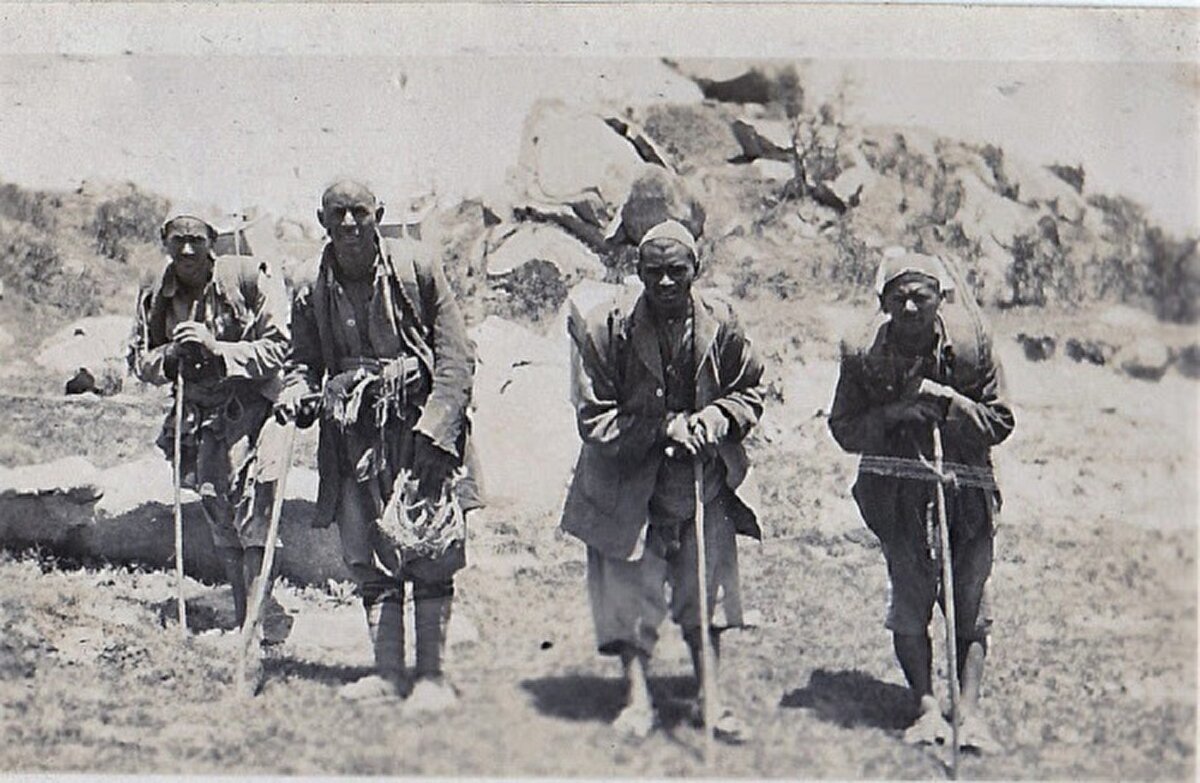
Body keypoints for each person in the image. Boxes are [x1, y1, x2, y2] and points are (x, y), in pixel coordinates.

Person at [276, 180, 482, 712]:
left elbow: (457, 357)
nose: (348, 224)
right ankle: (388, 675)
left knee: (430, 547)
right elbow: (302, 361)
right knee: (368, 555)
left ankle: (432, 678)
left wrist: (437, 433)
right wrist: (297, 393)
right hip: (352, 436)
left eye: (359, 212)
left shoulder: (418, 269)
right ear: (321, 219)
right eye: (337, 214)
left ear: (378, 216)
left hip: (419, 432)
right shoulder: (308, 283)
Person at [561, 218, 765, 742]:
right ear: (638, 271)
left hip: (700, 479)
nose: (667, 283)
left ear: (696, 269)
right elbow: (594, 418)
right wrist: (663, 426)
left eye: (677, 271)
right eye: (655, 272)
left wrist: (717, 419)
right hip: (625, 479)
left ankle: (711, 700)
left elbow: (750, 389)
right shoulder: (607, 326)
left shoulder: (722, 321)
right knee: (627, 593)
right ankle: (637, 699)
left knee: (707, 591)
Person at [828, 252, 1014, 753]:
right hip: (898, 499)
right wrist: (895, 413)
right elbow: (843, 428)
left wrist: (950, 406)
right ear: (884, 302)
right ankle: (927, 706)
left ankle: (968, 713)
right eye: (899, 297)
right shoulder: (863, 354)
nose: (910, 307)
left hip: (968, 494)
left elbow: (1000, 422)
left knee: (970, 606)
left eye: (921, 296)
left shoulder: (972, 350)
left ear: (940, 299)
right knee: (910, 604)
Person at [129, 213, 292, 640]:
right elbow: (139, 360)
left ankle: (254, 624)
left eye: (195, 240)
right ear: (165, 241)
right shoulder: (156, 293)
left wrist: (216, 348)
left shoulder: (247, 277)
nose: (186, 250)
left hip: (253, 409)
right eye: (177, 240)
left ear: (211, 242)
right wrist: (171, 356)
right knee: (219, 511)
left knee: (253, 512)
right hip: (199, 416)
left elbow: (279, 348)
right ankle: (243, 617)